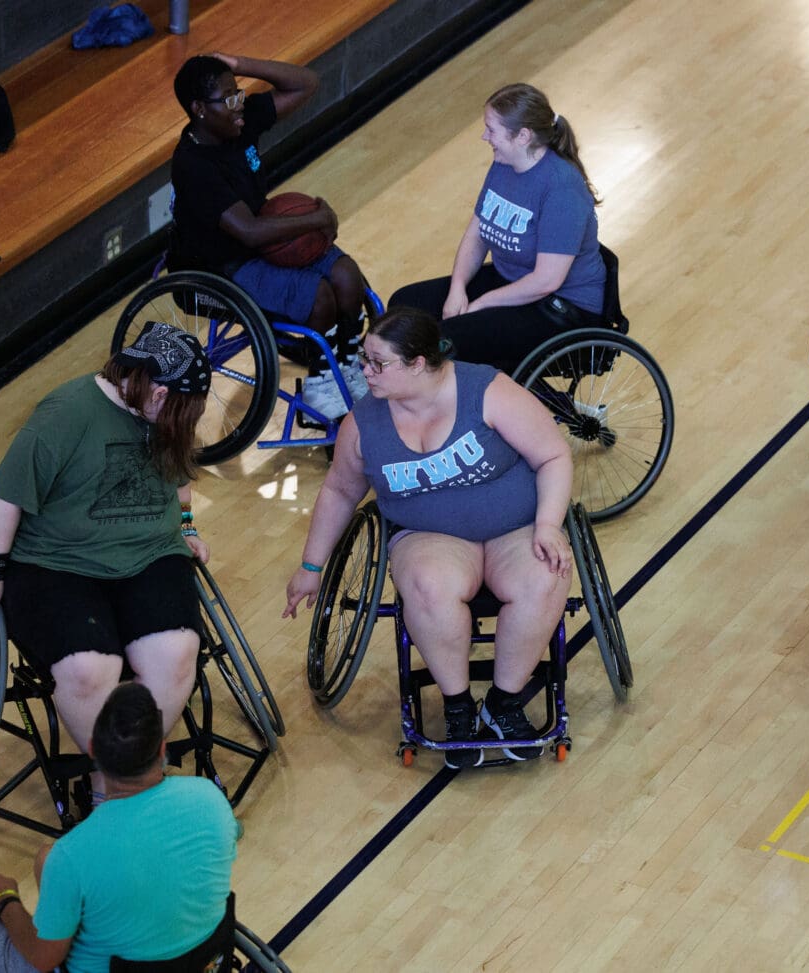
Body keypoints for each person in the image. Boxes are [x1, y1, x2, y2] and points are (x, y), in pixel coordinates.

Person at [283, 307, 573, 767]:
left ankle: (504, 703)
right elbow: (340, 490)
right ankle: (458, 706)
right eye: (364, 359)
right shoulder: (364, 424)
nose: (365, 372)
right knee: (427, 587)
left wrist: (548, 526)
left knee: (545, 577)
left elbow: (554, 456)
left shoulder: (489, 392)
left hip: (515, 528)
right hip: (428, 536)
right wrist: (311, 566)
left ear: (418, 364)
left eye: (379, 363)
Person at [0, 322, 211, 798]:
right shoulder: (65, 412)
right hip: (57, 563)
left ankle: (136, 771)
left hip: (149, 553)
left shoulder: (165, 416)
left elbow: (180, 477)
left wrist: (186, 527)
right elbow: (7, 496)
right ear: (157, 394)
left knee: (177, 655)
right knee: (86, 671)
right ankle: (111, 783)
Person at [0, 682, 239, 973]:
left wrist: (4, 900)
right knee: (47, 859)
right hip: (205, 962)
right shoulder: (210, 800)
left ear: (92, 750)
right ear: (161, 750)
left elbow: (43, 957)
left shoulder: (74, 854)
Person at [171, 52, 369, 417]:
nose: (238, 104)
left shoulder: (236, 122)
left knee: (347, 275)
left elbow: (306, 82)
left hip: (264, 244)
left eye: (239, 92)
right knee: (319, 297)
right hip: (220, 268)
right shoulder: (193, 165)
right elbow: (248, 232)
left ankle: (348, 359)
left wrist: (239, 64)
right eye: (228, 98)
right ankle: (322, 383)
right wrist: (317, 218)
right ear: (199, 109)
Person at [388, 83, 605, 374]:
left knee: (448, 339)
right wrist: (458, 288)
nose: (484, 137)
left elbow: (546, 281)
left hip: (562, 309)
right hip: (513, 280)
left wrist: (481, 304)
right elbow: (476, 235)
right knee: (406, 305)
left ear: (523, 136)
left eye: (492, 130)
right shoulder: (505, 164)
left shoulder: (562, 189)